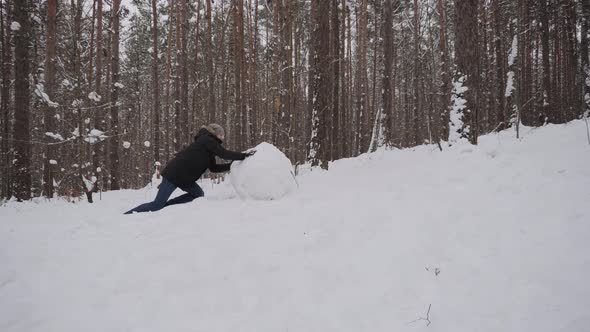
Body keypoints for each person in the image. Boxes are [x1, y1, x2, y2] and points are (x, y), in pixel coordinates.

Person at [125, 124, 254, 214]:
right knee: (156, 205)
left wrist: (231, 166)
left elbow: (213, 168)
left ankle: (167, 206)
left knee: (198, 194)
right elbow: (224, 154)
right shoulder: (206, 140)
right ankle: (129, 214)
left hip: (185, 179)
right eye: (221, 134)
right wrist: (243, 156)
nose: (223, 137)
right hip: (174, 175)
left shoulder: (209, 147)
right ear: (215, 134)